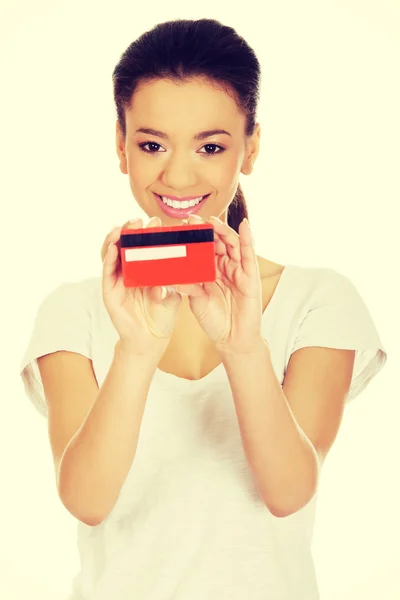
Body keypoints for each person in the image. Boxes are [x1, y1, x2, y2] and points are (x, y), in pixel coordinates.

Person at [19, 18, 387, 600]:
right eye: (151, 144)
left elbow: (288, 492)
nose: (179, 174)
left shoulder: (319, 301)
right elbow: (86, 502)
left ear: (252, 146)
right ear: (121, 146)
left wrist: (242, 345)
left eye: (211, 146)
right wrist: (137, 349)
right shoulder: (72, 312)